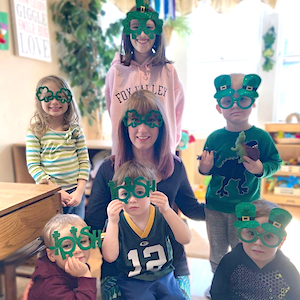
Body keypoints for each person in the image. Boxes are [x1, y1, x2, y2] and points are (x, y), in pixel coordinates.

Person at [86, 89, 205, 300]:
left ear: (161, 125)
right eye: (134, 121)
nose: (142, 128)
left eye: (151, 120)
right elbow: (93, 223)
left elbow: (193, 209)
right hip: (122, 272)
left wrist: (228, 206)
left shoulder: (174, 166)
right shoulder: (108, 169)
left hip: (170, 268)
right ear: (125, 125)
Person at [198, 73, 282, 297]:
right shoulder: (214, 138)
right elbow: (207, 169)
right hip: (215, 206)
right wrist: (204, 168)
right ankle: (218, 284)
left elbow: (276, 162)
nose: (235, 106)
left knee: (243, 248)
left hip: (246, 208)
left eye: (242, 100)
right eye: (227, 101)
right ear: (219, 107)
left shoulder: (261, 137)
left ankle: (241, 286)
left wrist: (260, 169)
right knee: (216, 250)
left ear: (252, 103)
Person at [102, 160, 191, 299]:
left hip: (165, 275)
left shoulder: (162, 214)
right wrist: (113, 222)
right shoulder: (116, 221)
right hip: (133, 280)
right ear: (116, 195)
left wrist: (167, 210)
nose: (132, 199)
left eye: (139, 192)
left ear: (151, 191)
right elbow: (109, 257)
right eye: (125, 194)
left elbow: (186, 238)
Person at [105, 0, 184, 154]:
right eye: (135, 27)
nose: (142, 34)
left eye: (148, 28)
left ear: (157, 32)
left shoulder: (168, 71)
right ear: (127, 32)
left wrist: (170, 146)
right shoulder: (116, 73)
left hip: (161, 156)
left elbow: (177, 113)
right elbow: (113, 114)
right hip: (126, 157)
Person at [26, 75, 90, 219]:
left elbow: (84, 162)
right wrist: (55, 190)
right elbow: (33, 166)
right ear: (39, 100)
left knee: (76, 233)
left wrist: (79, 191)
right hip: (49, 193)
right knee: (53, 235)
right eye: (48, 97)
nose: (55, 101)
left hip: (75, 195)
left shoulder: (75, 130)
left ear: (68, 99)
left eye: (60, 96)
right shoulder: (36, 131)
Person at [210, 200, 300, 299]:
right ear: (240, 235)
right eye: (251, 233)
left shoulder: (287, 269)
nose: (258, 242)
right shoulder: (229, 262)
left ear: (281, 242)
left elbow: (296, 295)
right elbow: (217, 293)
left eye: (269, 236)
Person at [28, 214, 97, 299]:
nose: (78, 249)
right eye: (67, 246)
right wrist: (85, 276)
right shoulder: (51, 284)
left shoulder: (77, 266)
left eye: (82, 241)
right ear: (51, 255)